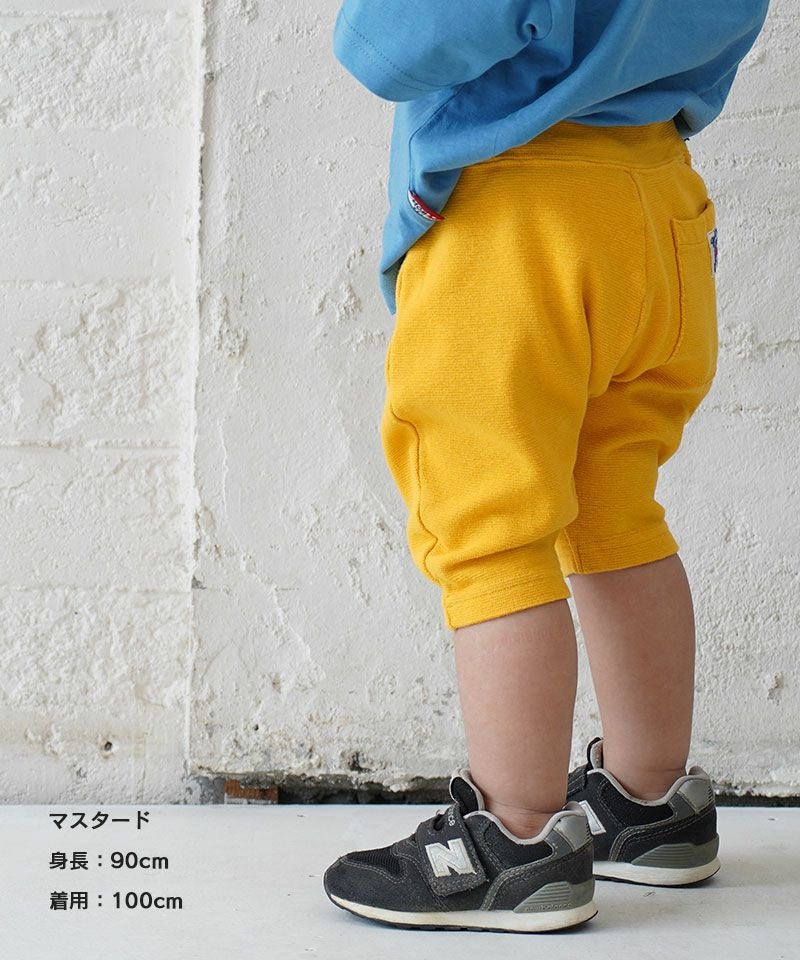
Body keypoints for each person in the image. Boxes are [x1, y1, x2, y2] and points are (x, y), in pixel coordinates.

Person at [323, 0, 771, 933]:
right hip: (660, 206)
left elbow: (391, 47)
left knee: (491, 534)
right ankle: (650, 803)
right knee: (617, 510)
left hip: (521, 217)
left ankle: (518, 840)